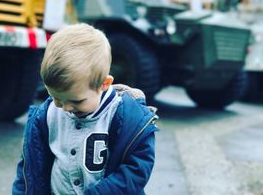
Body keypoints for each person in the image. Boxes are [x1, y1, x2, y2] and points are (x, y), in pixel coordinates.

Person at [12, 23, 158, 195]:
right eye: (57, 98)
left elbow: (136, 171)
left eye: (76, 101)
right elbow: (28, 169)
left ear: (104, 84)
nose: (65, 108)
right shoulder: (46, 116)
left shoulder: (128, 120)